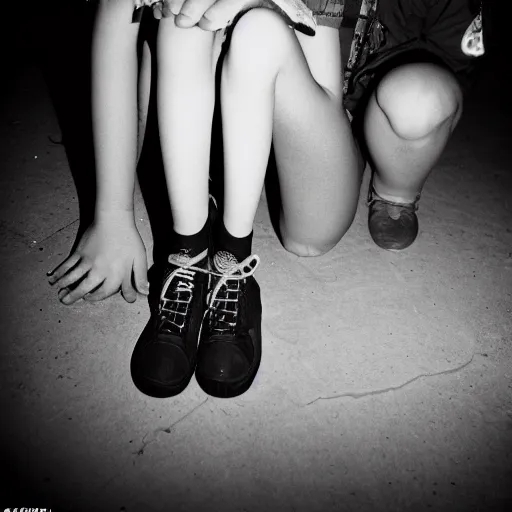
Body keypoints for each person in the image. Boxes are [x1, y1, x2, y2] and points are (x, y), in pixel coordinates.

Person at [48, 0, 486, 398]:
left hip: (301, 97)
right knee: (182, 21)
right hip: (200, 99)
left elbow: (325, 81)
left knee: (259, 30)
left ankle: (235, 262)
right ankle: (190, 256)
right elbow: (117, 16)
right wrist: (112, 214)